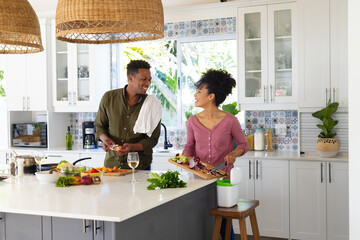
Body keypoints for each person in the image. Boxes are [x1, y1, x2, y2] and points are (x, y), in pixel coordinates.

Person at [182, 69, 249, 240]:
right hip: (199, 179)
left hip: (223, 179)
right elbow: (189, 146)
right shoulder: (192, 121)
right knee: (201, 219)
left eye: (199, 91)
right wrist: (183, 158)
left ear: (211, 96)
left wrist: (234, 153)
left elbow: (243, 144)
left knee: (224, 221)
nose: (195, 95)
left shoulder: (230, 121)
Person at [95, 60, 161, 170]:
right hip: (112, 166)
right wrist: (105, 139)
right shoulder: (109, 98)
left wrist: (131, 147)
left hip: (139, 167)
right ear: (131, 78)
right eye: (143, 79)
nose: (147, 83)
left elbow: (152, 139)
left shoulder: (152, 104)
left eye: (149, 80)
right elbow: (99, 126)